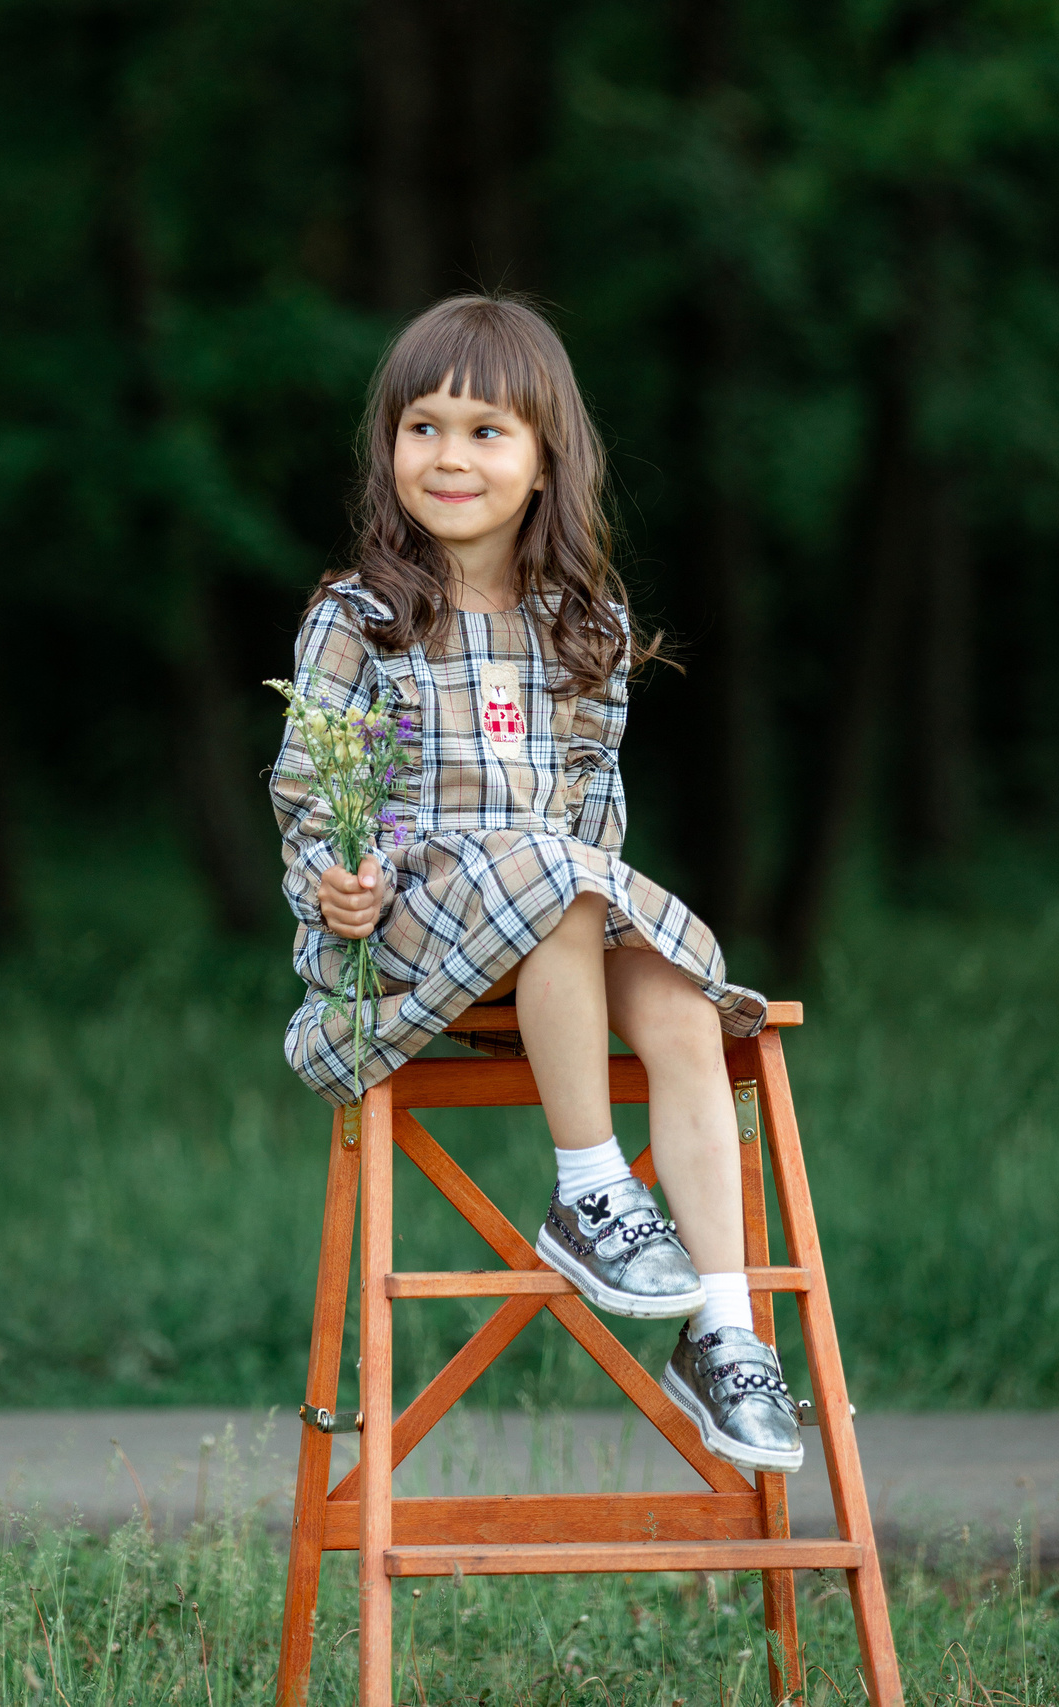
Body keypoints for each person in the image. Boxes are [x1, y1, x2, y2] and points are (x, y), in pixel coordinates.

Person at [267, 294, 803, 1474]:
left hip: (550, 914)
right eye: (423, 427)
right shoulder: (358, 620)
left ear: (546, 457)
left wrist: (614, 925)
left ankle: (722, 1329)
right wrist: (334, 886)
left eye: (484, 431)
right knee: (559, 883)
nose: (448, 457)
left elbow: (584, 815)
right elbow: (312, 796)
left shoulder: (581, 622)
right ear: (388, 447)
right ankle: (589, 1193)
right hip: (407, 932)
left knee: (670, 997)